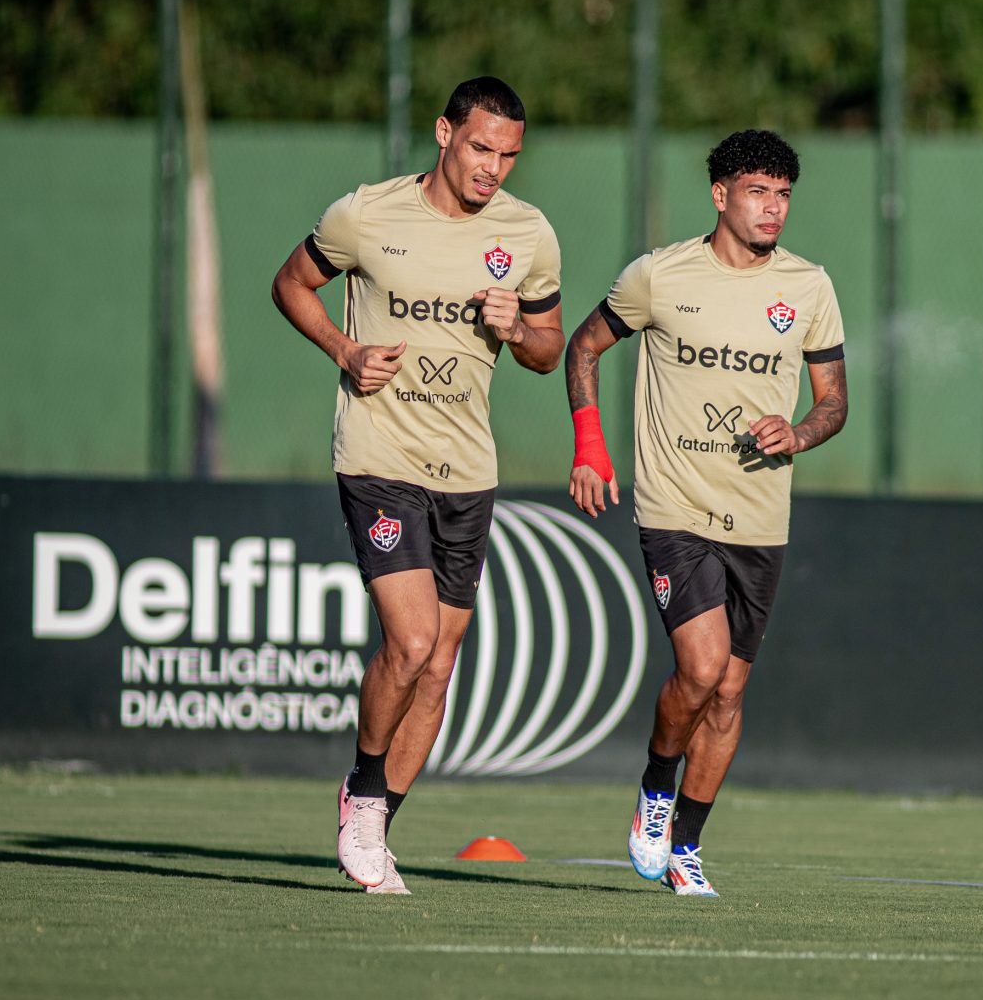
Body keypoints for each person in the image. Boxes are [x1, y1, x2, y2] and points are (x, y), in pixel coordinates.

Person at [271, 76, 563, 896]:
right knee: (410, 641)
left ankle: (378, 817)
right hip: (378, 455)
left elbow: (548, 347)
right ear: (443, 133)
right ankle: (362, 793)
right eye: (479, 148)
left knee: (440, 662)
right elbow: (291, 284)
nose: (493, 169)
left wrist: (520, 330)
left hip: (467, 470)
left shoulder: (529, 233)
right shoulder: (365, 214)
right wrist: (344, 350)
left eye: (508, 155)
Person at [563, 129, 847, 897]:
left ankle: (686, 846)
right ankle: (658, 787)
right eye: (758, 192)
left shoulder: (809, 287)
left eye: (784, 194)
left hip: (761, 518)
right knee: (701, 665)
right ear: (721, 195)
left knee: (728, 691)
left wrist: (800, 431)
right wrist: (591, 446)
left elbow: (834, 403)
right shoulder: (660, 276)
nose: (773, 208)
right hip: (675, 507)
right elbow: (583, 347)